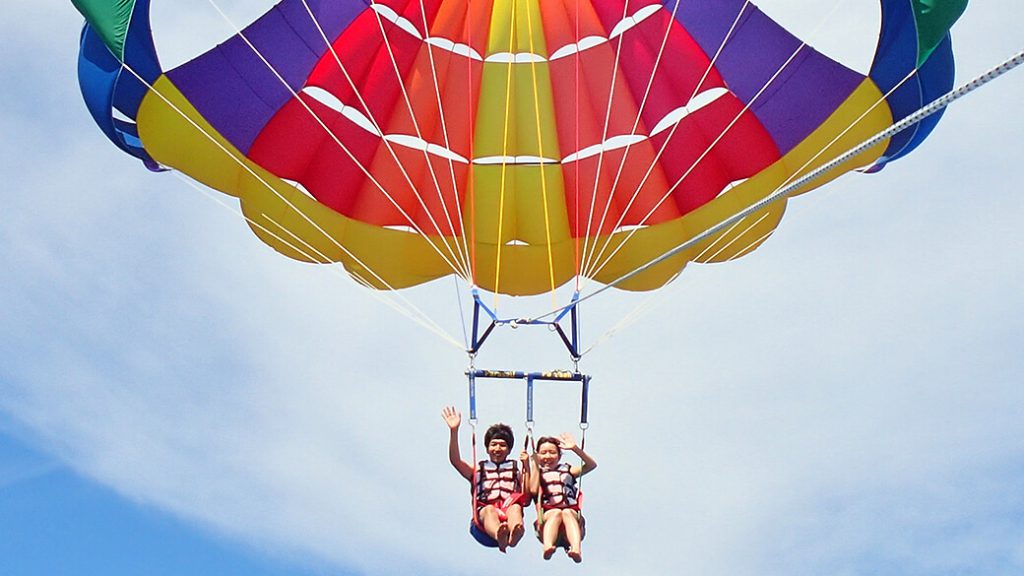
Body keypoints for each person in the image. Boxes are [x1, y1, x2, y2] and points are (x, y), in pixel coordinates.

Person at [442, 406, 529, 552]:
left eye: (502, 445)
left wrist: (527, 466)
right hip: (483, 524)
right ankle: (499, 535)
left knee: (515, 507)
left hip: (508, 513)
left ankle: (514, 534)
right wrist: (454, 431)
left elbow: (526, 497)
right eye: (494, 444)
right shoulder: (478, 471)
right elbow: (455, 461)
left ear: (509, 450)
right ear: (487, 448)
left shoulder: (516, 471)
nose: (497, 448)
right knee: (489, 510)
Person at [529, 433, 596, 563]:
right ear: (538, 455)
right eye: (543, 453)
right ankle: (548, 546)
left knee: (566, 512)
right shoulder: (537, 473)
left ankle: (576, 549)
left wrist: (574, 448)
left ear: (559, 456)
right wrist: (534, 465)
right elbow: (532, 489)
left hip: (570, 513)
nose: (547, 456)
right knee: (556, 512)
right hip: (547, 516)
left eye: (552, 452)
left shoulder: (568, 471)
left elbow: (591, 465)